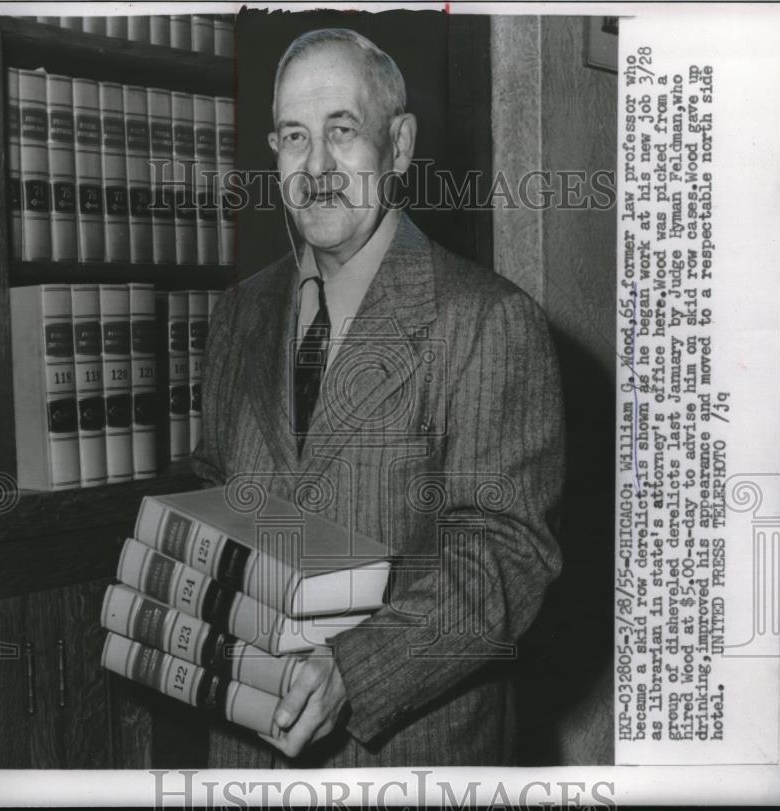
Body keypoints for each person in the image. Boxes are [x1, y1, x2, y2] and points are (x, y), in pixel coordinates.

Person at [191, 27, 565, 767]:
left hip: (404, 757)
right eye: (294, 136)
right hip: (246, 757)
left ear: (397, 147)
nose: (317, 166)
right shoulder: (239, 313)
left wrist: (352, 670)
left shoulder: (487, 318)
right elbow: (215, 494)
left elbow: (506, 556)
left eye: (342, 131)